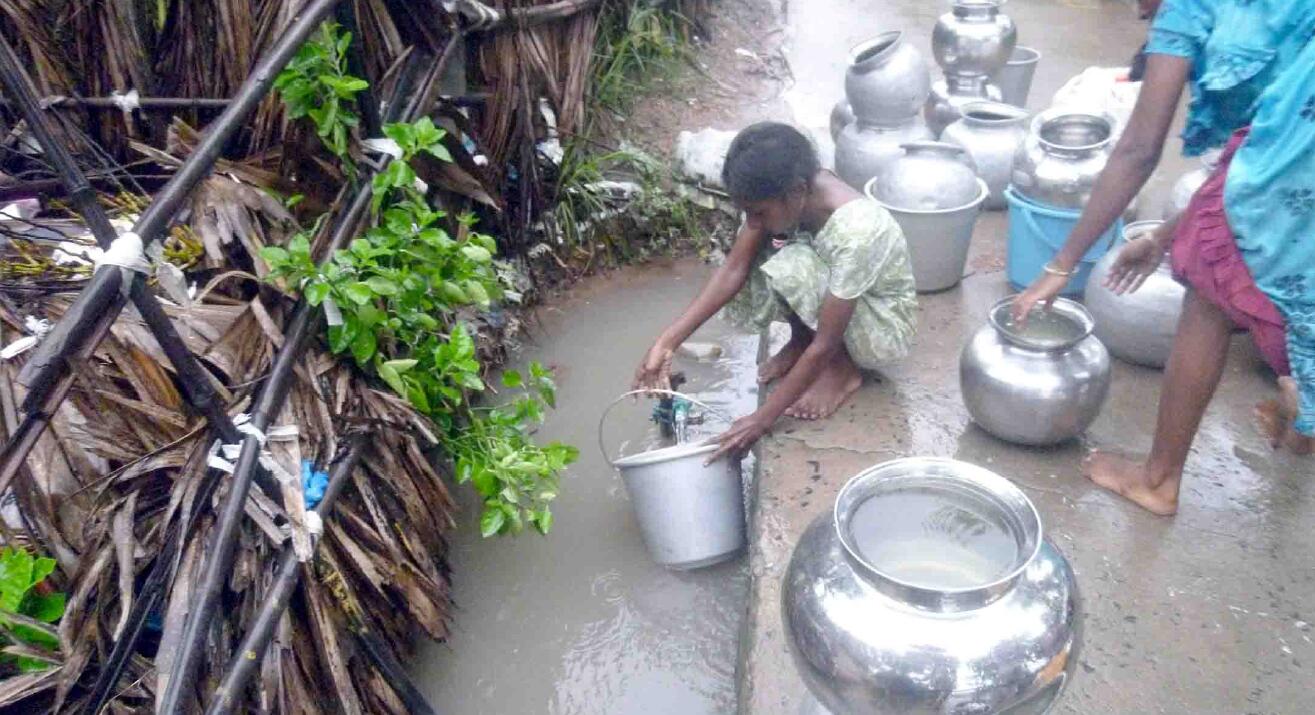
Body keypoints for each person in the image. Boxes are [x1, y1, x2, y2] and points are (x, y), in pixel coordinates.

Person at [1012, 0, 1315, 516]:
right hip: (1292, 145)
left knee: (1209, 289)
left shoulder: (1187, 8)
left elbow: (1138, 149)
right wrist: (1162, 237)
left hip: (1296, 158)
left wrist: (1059, 265)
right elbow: (1249, 154)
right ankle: (1303, 415)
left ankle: (1157, 479)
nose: (1138, 14)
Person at [632, 122, 917, 462]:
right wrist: (666, 342)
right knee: (770, 248)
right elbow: (734, 270)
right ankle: (800, 340)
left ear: (796, 192)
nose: (752, 222)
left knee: (790, 263)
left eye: (758, 212)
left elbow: (825, 341)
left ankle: (842, 371)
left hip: (881, 329)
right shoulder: (792, 193)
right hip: (837, 302)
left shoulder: (857, 230)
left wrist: (761, 420)